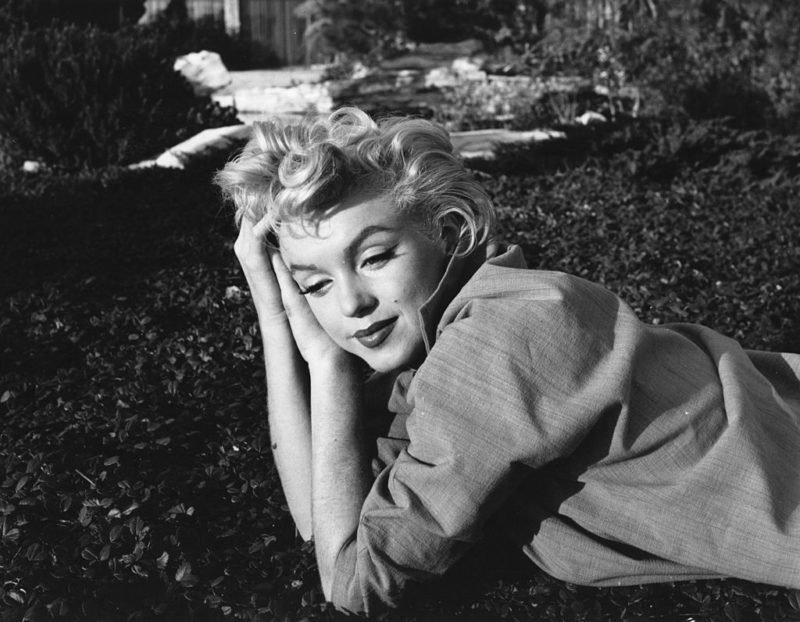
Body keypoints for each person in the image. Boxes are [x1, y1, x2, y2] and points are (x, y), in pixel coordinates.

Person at [214, 107, 800, 615]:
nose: (351, 304)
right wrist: (288, 328)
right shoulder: (448, 346)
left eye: (375, 257)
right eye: (315, 285)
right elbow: (323, 522)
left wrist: (326, 365)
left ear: (446, 230)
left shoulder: (494, 345)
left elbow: (352, 580)